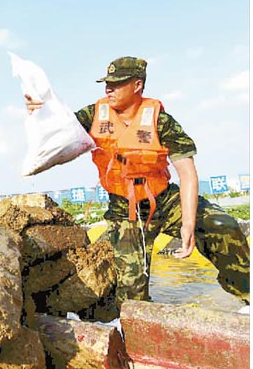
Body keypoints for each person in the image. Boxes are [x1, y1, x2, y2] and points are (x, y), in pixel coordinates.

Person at [26, 56, 250, 308]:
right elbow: (61, 126)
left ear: (137, 85)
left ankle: (246, 295)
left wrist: (188, 224)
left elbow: (187, 173)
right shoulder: (94, 114)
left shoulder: (160, 120)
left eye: (117, 83)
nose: (108, 88)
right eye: (106, 83)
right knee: (132, 294)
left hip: (165, 200)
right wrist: (40, 110)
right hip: (125, 210)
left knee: (223, 225)